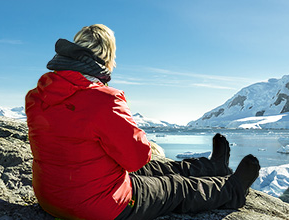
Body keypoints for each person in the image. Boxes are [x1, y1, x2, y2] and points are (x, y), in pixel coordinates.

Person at [25, 24, 261, 220]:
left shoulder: (36, 97)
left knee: (156, 169)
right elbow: (137, 158)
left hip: (51, 199)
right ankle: (234, 190)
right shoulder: (103, 99)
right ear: (107, 58)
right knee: (174, 187)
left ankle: (213, 167)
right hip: (99, 207)